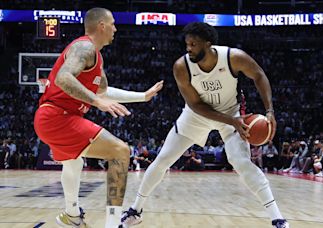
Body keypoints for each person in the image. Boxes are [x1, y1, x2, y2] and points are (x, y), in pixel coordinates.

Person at [120, 22, 288, 228]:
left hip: (231, 112)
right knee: (163, 159)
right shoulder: (181, 67)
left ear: (208, 44)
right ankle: (136, 210)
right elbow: (195, 105)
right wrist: (231, 122)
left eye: (193, 44)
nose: (188, 48)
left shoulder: (234, 57)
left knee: (241, 163)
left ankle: (277, 218)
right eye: (187, 44)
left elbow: (259, 75)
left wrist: (269, 110)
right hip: (197, 115)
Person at [33, 8, 163, 228]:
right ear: (101, 25)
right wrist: (96, 102)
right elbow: (64, 78)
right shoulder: (84, 46)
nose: (115, 28)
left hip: (55, 118)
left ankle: (71, 215)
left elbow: (104, 92)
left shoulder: (97, 58)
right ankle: (113, 223)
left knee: (73, 163)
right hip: (57, 116)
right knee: (120, 151)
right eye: (112, 23)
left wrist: (143, 96)